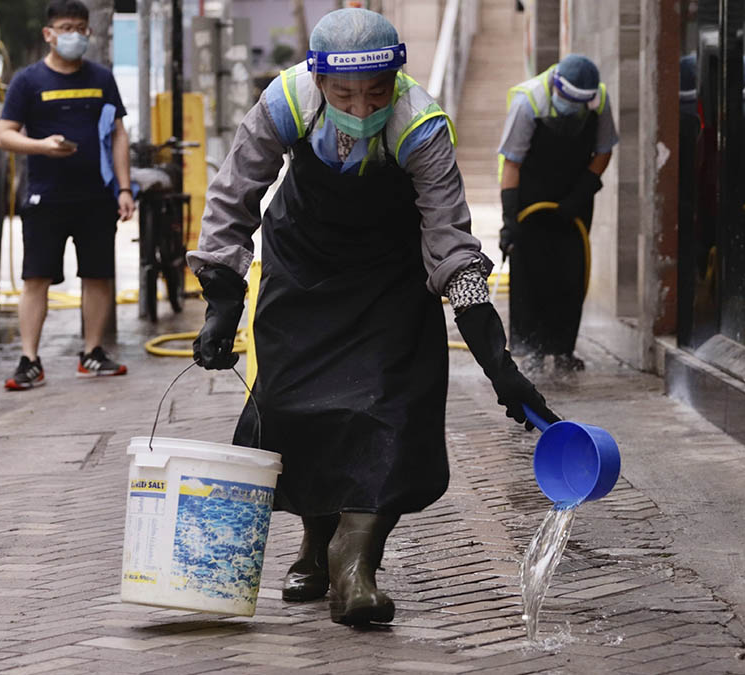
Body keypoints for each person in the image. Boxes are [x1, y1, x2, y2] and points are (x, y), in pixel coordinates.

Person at [187, 8, 558, 627]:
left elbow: (450, 241)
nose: (362, 110)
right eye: (345, 95)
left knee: (392, 408)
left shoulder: (421, 124)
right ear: (319, 80)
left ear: (397, 78)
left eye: (377, 92)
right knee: (295, 408)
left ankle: (355, 564)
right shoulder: (286, 100)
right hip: (302, 267)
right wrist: (222, 301)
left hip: (390, 276)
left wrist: (498, 361)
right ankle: (314, 545)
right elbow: (232, 197)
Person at [0, 0, 134, 390]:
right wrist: (42, 146)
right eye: (66, 27)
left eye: (81, 28)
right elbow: (5, 133)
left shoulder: (102, 78)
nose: (75, 35)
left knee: (98, 276)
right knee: (35, 278)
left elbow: (118, 133)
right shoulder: (27, 81)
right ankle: (29, 360)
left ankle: (92, 353)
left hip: (96, 196)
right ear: (49, 34)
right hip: (45, 197)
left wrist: (124, 188)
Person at [497, 55, 619, 372]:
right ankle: (533, 349)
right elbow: (511, 163)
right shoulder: (528, 104)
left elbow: (604, 151)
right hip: (530, 197)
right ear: (556, 88)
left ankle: (563, 348)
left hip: (574, 198)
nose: (572, 110)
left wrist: (580, 195)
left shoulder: (600, 101)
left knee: (570, 272)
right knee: (531, 272)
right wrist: (510, 221)